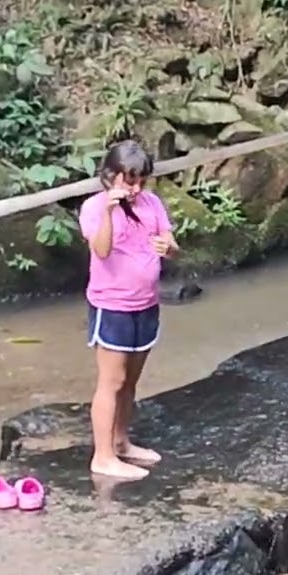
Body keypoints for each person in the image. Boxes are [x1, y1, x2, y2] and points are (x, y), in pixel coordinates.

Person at [78, 140, 179, 479]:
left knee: (131, 381)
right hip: (112, 305)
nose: (136, 189)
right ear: (111, 177)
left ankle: (121, 442)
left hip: (146, 303)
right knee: (112, 380)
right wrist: (109, 210)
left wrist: (169, 247)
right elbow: (102, 250)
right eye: (129, 181)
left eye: (141, 181)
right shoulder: (94, 208)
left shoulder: (152, 204)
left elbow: (171, 245)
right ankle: (102, 456)